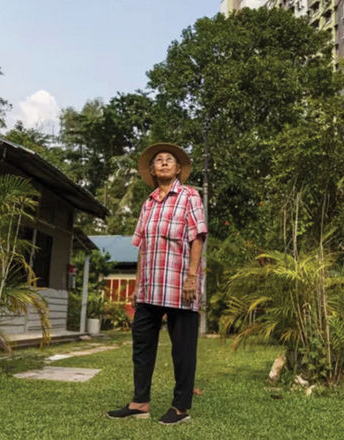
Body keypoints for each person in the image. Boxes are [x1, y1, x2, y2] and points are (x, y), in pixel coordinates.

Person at [107, 143, 207, 425]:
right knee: (142, 345)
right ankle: (140, 403)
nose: (163, 162)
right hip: (150, 287)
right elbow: (142, 246)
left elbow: (197, 237)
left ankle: (180, 408)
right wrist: (138, 285)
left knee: (183, 350)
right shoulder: (148, 203)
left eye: (169, 159)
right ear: (152, 170)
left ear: (178, 169)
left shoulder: (189, 196)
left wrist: (192, 277)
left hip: (180, 286)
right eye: (158, 160)